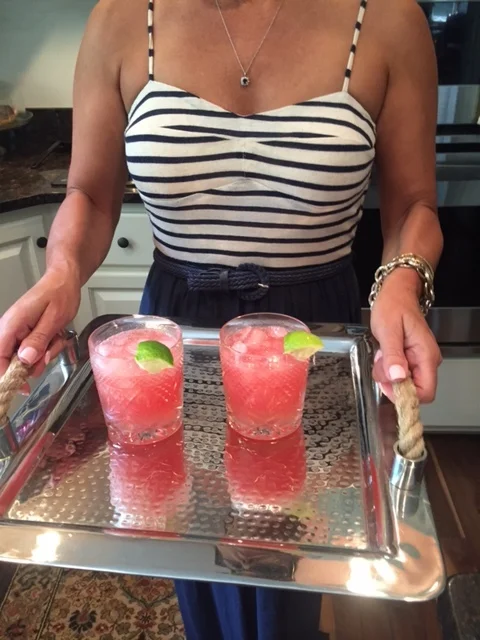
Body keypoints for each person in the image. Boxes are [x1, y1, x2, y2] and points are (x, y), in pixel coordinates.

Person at [0, 0, 442, 637]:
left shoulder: (389, 20)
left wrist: (400, 281)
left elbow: (414, 204)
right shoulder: (119, 19)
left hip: (310, 336)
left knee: (289, 552)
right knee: (190, 544)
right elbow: (89, 194)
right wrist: (62, 271)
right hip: (177, 333)